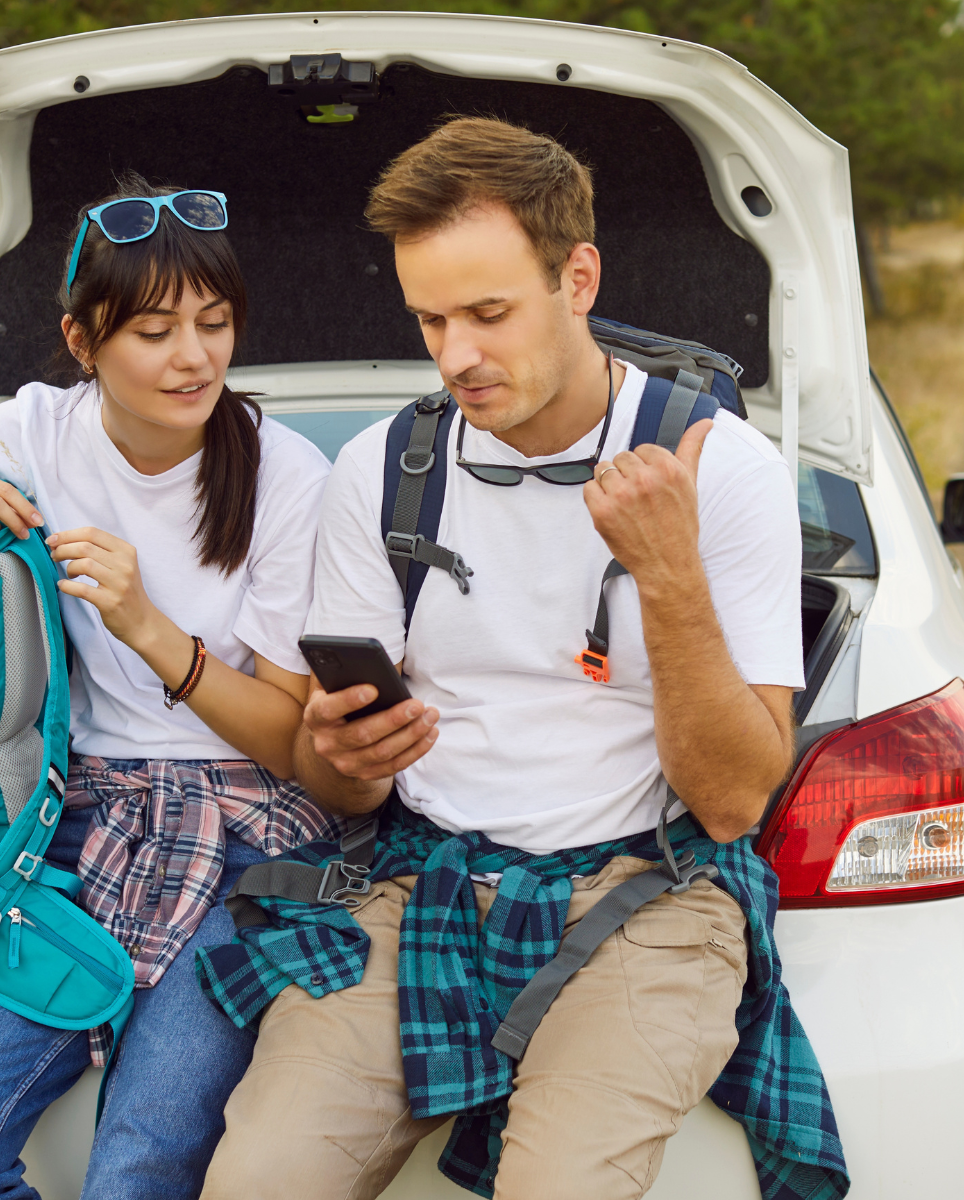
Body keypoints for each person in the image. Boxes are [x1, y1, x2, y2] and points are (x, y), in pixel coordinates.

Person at [195, 119, 848, 1200]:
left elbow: (734, 801)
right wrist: (344, 752)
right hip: (424, 883)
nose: (456, 356)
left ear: (577, 276)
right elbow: (340, 778)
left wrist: (668, 574)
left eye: (488, 314)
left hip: (652, 892)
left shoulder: (718, 469)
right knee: (255, 1182)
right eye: (430, 319)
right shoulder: (383, 470)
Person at [0, 172, 344, 1200]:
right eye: (156, 331)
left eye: (215, 324)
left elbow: (291, 740)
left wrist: (152, 633)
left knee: (138, 1169)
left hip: (246, 846)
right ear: (83, 341)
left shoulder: (287, 473)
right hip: (61, 833)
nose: (195, 357)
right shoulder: (29, 430)